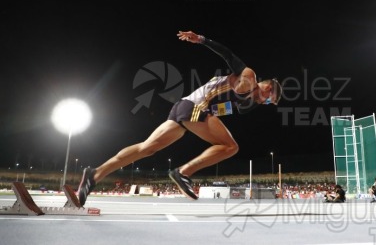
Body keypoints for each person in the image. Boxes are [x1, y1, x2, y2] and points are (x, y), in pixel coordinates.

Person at [77, 31, 282, 205]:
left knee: (147, 148)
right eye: (266, 97)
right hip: (194, 107)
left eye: (266, 103)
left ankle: (94, 174)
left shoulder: (244, 100)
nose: (262, 101)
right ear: (267, 85)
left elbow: (233, 108)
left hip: (185, 107)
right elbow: (229, 55)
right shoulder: (250, 77)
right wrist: (202, 40)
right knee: (231, 147)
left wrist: (252, 102)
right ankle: (183, 172)